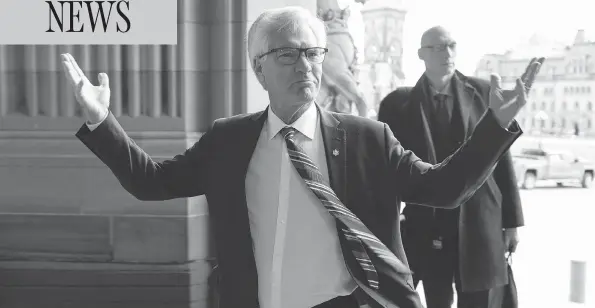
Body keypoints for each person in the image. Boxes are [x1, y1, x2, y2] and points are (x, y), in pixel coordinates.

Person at [61, 7, 540, 308]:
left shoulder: (368, 139)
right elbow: (151, 181)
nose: (305, 66)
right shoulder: (229, 141)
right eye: (287, 55)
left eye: (312, 53)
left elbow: (444, 187)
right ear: (258, 68)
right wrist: (103, 122)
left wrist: (494, 127)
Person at [377, 26, 543, 308]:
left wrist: (512, 222)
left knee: (480, 298)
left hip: (481, 220)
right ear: (421, 54)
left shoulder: (484, 92)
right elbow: (386, 169)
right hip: (427, 225)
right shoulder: (397, 104)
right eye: (438, 47)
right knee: (436, 297)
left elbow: (502, 160)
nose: (448, 53)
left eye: (452, 45)